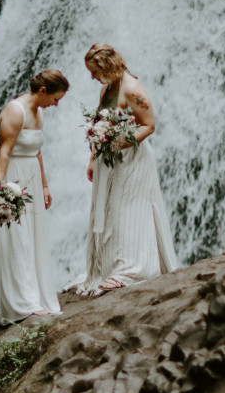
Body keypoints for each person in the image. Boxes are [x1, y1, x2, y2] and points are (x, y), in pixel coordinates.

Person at [76, 42, 177, 295]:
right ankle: (111, 265)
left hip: (132, 158)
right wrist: (93, 159)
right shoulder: (107, 88)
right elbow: (100, 122)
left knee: (128, 209)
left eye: (94, 71)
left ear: (107, 65)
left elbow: (149, 125)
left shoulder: (132, 88)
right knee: (111, 208)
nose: (92, 77)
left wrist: (120, 142)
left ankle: (131, 269)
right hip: (109, 159)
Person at [0, 68, 68, 323]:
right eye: (55, 98)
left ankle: (31, 295)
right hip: (9, 177)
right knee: (15, 238)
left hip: (30, 177)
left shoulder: (39, 112)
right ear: (42, 91)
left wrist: (45, 185)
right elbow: (4, 152)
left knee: (30, 235)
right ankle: (21, 302)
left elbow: (37, 151)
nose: (56, 104)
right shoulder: (14, 111)